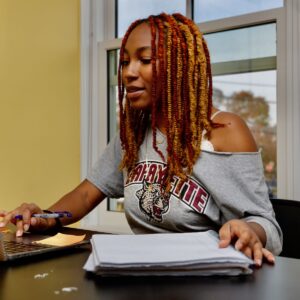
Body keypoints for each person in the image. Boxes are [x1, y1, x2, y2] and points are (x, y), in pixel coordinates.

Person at [0, 13, 282, 267]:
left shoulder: (225, 130)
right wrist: (46, 217)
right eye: (124, 62)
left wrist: (249, 231)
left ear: (179, 66)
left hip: (209, 281)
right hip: (143, 274)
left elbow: (267, 225)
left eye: (145, 60)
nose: (128, 72)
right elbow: (87, 193)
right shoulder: (133, 134)